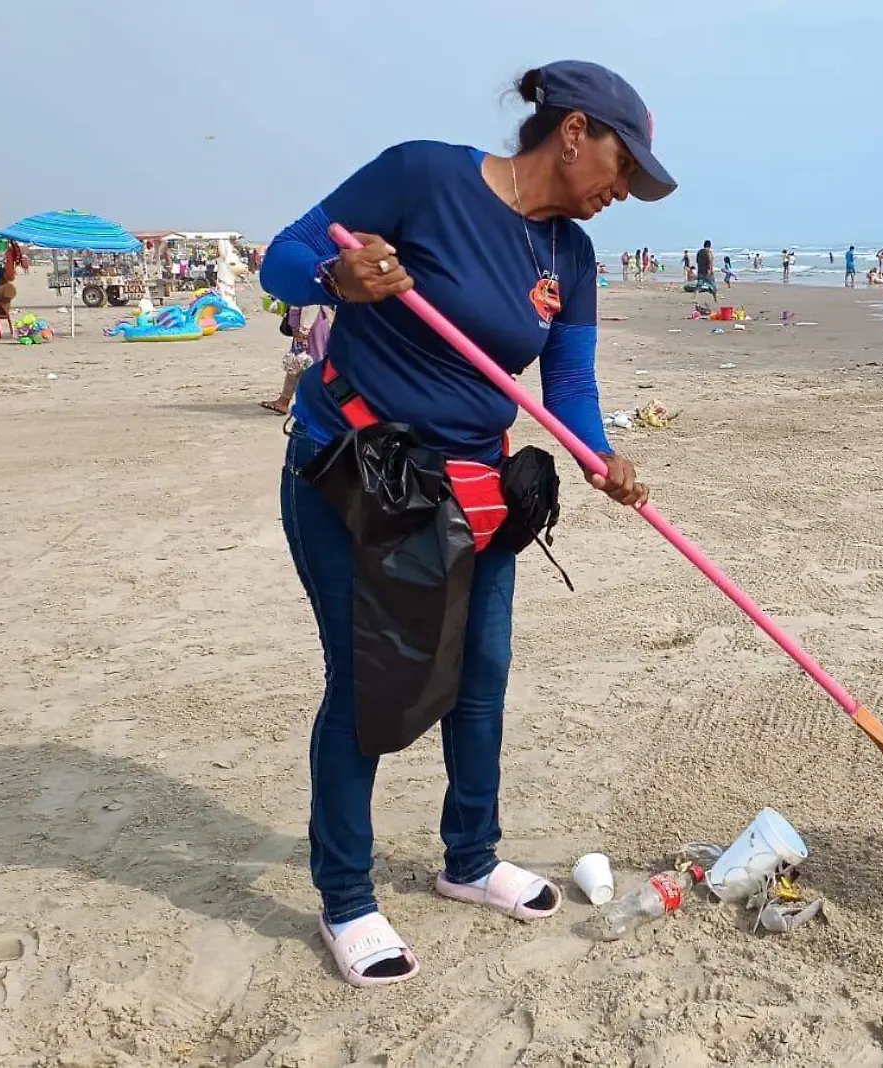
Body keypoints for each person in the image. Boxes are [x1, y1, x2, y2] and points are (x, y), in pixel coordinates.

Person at [257, 60, 669, 988]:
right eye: (620, 166)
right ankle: (347, 898)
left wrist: (601, 456)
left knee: (480, 678)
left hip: (472, 492)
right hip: (354, 476)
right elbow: (278, 259)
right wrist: (338, 276)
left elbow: (567, 382)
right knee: (368, 686)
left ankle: (470, 859)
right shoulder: (425, 177)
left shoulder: (571, 255)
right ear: (572, 133)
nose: (622, 192)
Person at [262, 304, 329, 415]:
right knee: (297, 362)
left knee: (310, 363)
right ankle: (284, 401)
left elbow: (311, 303)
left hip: (309, 325)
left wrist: (304, 330)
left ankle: (318, 404)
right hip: (305, 324)